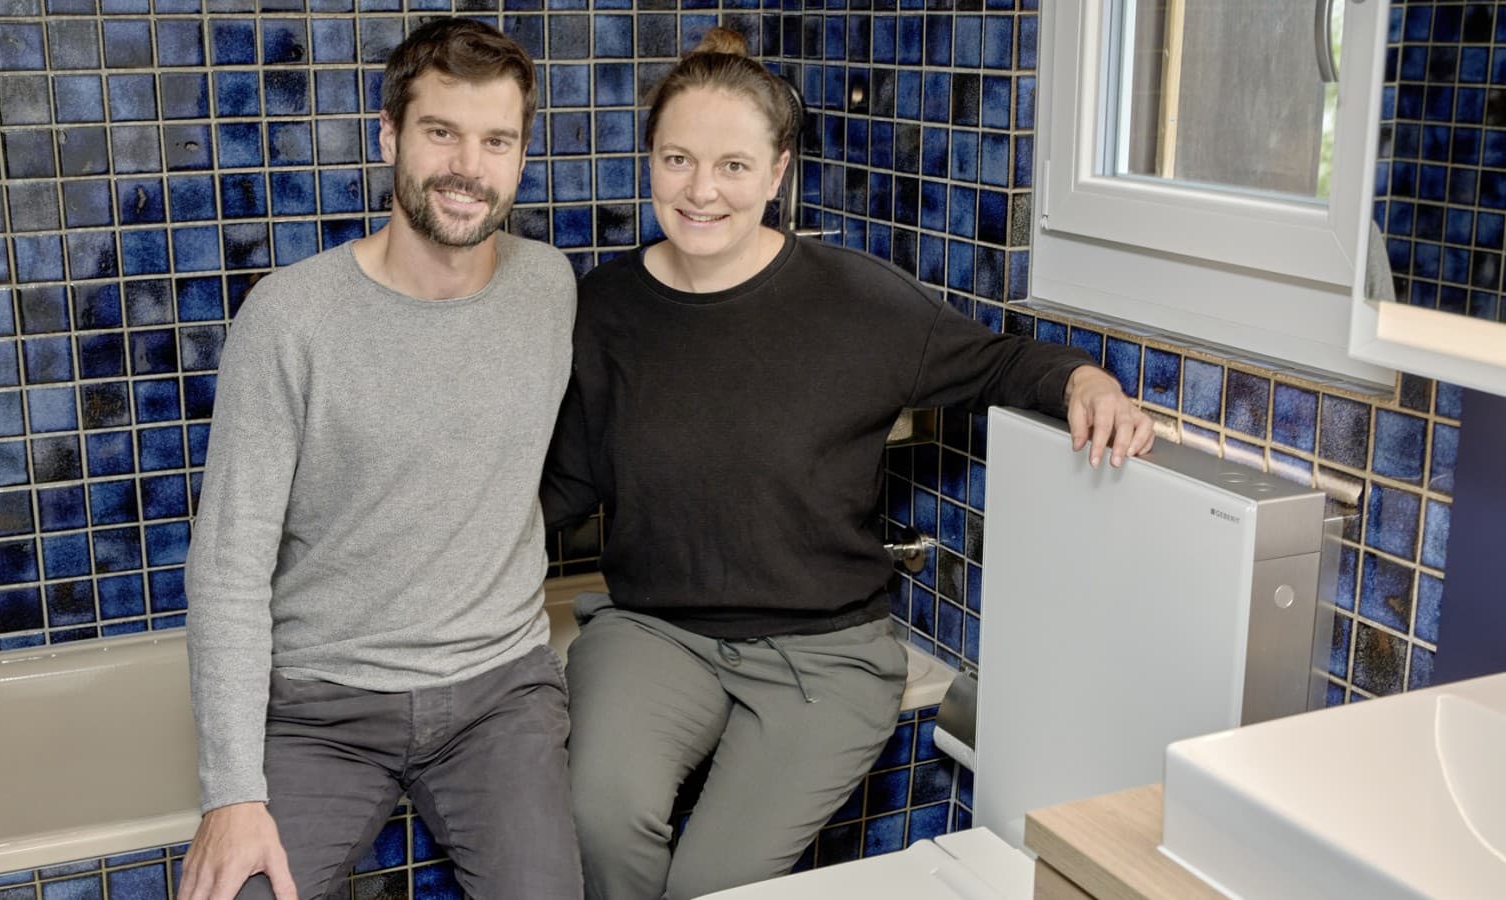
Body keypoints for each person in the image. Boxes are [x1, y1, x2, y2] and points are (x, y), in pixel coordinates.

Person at [541, 27, 1156, 900]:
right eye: (677, 159)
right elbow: (560, 485)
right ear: (649, 159)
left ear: (779, 171)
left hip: (825, 656)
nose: (702, 190)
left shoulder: (856, 302)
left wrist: (1088, 381)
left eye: (733, 166)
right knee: (598, 817)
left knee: (713, 886)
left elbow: (998, 362)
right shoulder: (603, 308)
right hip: (654, 633)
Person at [178, 19, 581, 900]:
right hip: (323, 704)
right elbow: (230, 566)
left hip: (497, 695)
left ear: (521, 156)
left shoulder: (551, 288)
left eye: (497, 140)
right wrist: (232, 792)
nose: (468, 167)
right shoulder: (290, 319)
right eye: (441, 132)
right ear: (390, 134)